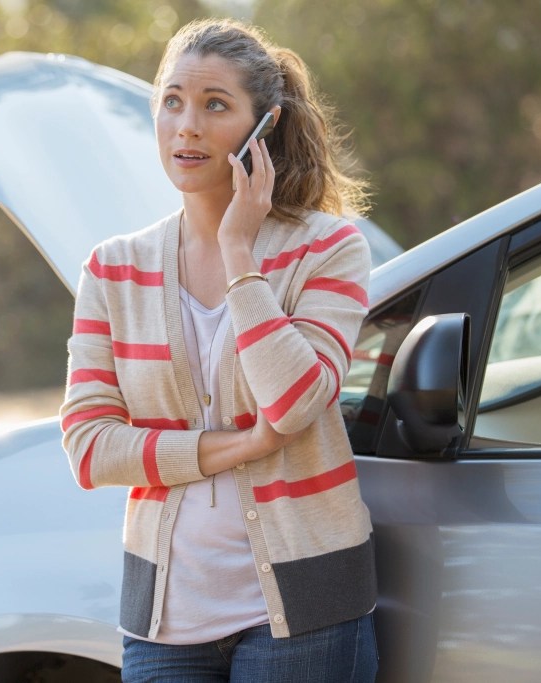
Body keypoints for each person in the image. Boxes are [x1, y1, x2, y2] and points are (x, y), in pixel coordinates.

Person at [61, 17, 378, 682]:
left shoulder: (329, 247)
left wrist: (240, 252)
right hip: (165, 620)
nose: (187, 126)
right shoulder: (113, 270)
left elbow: (293, 403)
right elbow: (89, 446)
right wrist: (231, 447)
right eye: (172, 100)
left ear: (264, 128)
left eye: (215, 105)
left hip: (307, 612)